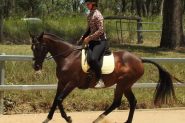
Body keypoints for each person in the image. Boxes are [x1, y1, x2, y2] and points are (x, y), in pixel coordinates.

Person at [78, 0, 107, 88]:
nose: (87, 5)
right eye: (86, 4)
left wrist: (89, 38)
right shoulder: (89, 14)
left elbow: (101, 30)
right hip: (93, 41)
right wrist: (83, 37)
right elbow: (89, 29)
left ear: (93, 4)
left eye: (88, 4)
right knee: (88, 58)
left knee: (93, 58)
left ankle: (100, 79)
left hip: (100, 41)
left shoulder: (98, 15)